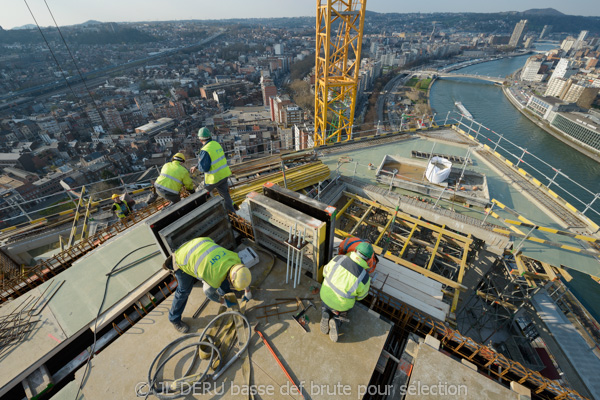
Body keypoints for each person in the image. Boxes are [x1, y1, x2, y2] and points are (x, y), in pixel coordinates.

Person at [163, 237, 252, 333]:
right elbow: (209, 293)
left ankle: (226, 292)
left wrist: (247, 291)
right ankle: (174, 319)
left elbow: (242, 273)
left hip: (200, 244)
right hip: (181, 259)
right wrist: (223, 302)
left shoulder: (237, 259)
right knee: (184, 290)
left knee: (223, 273)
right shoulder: (213, 277)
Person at [320, 242, 372, 342]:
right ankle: (337, 321)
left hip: (325, 295)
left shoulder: (338, 258)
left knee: (326, 303)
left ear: (355, 251)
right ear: (369, 260)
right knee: (344, 310)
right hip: (341, 305)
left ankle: (325, 312)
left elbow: (324, 272)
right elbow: (361, 297)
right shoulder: (364, 277)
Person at [190, 127, 235, 213]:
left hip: (213, 179)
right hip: (224, 175)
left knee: (199, 193)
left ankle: (201, 212)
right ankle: (232, 212)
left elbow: (204, 168)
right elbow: (213, 158)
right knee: (225, 196)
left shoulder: (205, 150)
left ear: (200, 139)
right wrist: (196, 166)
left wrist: (198, 167)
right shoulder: (216, 144)